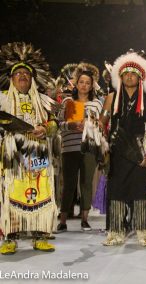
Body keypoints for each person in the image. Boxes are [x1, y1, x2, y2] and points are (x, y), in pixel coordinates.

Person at [0, 42, 58, 254]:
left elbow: (54, 123)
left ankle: (40, 236)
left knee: (40, 191)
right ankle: (9, 238)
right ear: (12, 78)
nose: (23, 76)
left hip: (38, 153)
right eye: (18, 73)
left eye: (26, 73)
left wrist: (45, 128)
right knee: (11, 193)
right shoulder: (2, 99)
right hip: (13, 154)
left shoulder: (42, 101)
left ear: (33, 79)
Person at [100, 50, 146, 246]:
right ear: (120, 76)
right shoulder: (112, 97)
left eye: (133, 73)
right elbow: (103, 121)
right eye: (125, 73)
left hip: (138, 150)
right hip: (117, 150)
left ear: (140, 78)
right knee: (116, 191)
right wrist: (98, 132)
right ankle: (116, 232)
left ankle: (144, 232)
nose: (129, 76)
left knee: (140, 191)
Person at [56, 63, 103, 233]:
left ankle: (84, 219)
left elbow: (101, 126)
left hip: (89, 147)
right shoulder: (68, 102)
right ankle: (63, 220)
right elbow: (59, 124)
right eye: (81, 82)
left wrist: (91, 126)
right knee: (68, 184)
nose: (84, 85)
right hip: (69, 148)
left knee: (86, 183)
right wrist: (72, 125)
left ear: (92, 86)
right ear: (76, 84)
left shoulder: (97, 104)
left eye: (87, 83)